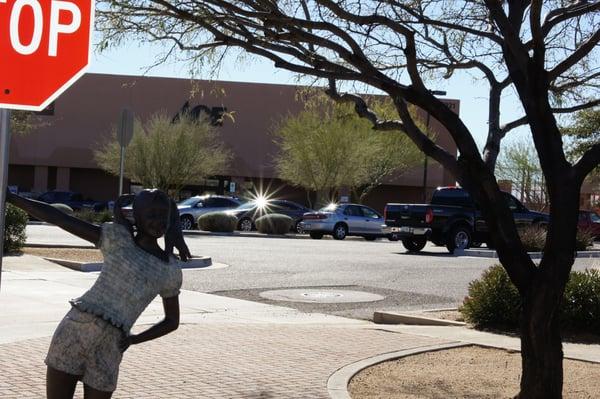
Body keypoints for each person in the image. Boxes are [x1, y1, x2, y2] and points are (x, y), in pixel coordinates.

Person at [7, 189, 192, 399]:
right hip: (74, 331)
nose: (158, 221)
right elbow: (59, 218)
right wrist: (11, 198)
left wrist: (134, 339)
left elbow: (172, 320)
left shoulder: (169, 270)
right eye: (151, 214)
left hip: (111, 347)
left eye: (163, 215)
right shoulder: (117, 240)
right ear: (136, 217)